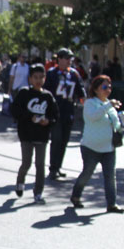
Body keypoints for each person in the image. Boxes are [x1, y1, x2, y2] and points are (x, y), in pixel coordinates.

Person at [70, 75, 124, 213]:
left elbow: (117, 127)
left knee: (110, 176)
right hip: (90, 147)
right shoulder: (90, 103)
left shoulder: (110, 106)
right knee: (87, 173)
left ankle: (112, 204)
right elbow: (93, 117)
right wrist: (108, 105)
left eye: (110, 87)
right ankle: (76, 196)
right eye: (105, 87)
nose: (108, 90)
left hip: (108, 148)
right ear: (95, 89)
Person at [11, 64, 59, 203]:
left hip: (42, 135)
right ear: (30, 79)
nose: (38, 80)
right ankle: (20, 182)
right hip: (26, 134)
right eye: (35, 77)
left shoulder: (48, 96)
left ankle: (38, 192)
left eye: (41, 77)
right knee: (26, 162)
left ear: (44, 78)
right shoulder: (24, 93)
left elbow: (55, 115)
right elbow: (15, 111)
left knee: (40, 164)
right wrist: (29, 117)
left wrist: (48, 121)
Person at [44, 48, 85, 179]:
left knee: (64, 141)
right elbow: (46, 92)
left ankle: (58, 166)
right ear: (59, 59)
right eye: (67, 58)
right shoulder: (51, 73)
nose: (69, 61)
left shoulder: (74, 74)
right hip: (55, 112)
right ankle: (53, 168)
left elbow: (80, 90)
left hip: (68, 112)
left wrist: (84, 100)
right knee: (56, 140)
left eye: (70, 59)